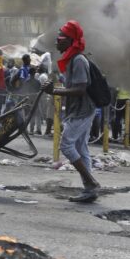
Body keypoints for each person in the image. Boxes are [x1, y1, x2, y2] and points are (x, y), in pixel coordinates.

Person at [42, 20, 100, 203]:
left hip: (82, 111)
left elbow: (81, 89)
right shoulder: (72, 60)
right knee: (81, 149)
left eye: (60, 37)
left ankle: (91, 183)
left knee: (66, 146)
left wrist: (55, 91)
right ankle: (89, 190)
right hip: (78, 109)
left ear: (70, 40)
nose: (56, 41)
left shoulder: (79, 60)